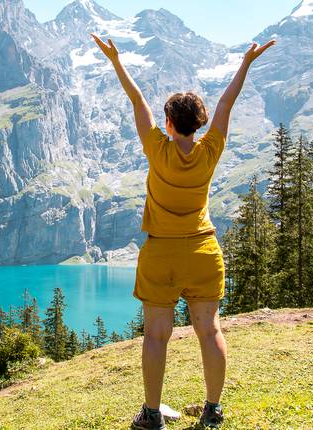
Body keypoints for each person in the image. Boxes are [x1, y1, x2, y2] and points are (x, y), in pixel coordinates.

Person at [92, 33, 275, 430]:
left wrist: (116, 61)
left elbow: (136, 101)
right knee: (209, 331)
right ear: (200, 123)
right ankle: (212, 410)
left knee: (157, 337)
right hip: (203, 252)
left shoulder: (157, 147)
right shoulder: (211, 151)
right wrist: (246, 63)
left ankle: (152, 414)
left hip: (160, 254)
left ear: (170, 123)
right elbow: (227, 102)